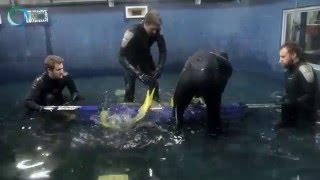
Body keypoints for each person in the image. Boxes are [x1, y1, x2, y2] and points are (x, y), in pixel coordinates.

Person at [173, 49, 232, 135]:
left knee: (179, 110)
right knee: (214, 107)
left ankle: (177, 126)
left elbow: (182, 77)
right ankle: (213, 133)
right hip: (206, 76)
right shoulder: (227, 65)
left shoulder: (198, 54)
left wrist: (179, 99)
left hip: (186, 76)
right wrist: (208, 100)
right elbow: (219, 89)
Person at [119, 9, 167, 102]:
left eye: (156, 29)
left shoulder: (158, 30)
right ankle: (128, 105)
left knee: (154, 84)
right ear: (146, 24)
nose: (154, 32)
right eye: (152, 29)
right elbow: (121, 57)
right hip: (130, 61)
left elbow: (163, 51)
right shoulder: (131, 32)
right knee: (129, 89)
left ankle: (155, 103)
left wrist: (160, 67)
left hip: (145, 58)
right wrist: (139, 74)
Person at [277, 42, 319, 128]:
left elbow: (310, 95)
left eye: (283, 57)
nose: (280, 60)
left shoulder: (304, 69)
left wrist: (293, 102)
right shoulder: (289, 69)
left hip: (302, 119)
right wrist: (284, 98)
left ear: (294, 55)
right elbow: (292, 92)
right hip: (291, 115)